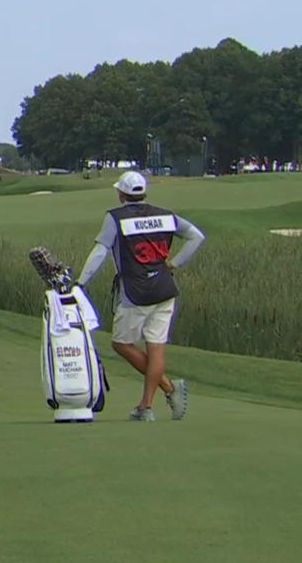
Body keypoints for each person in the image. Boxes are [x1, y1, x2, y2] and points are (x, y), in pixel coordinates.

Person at [75, 171, 206, 421]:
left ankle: (165, 390)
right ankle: (146, 406)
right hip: (165, 289)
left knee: (121, 344)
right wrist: (174, 264)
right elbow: (196, 237)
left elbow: (101, 251)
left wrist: (82, 281)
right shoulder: (166, 215)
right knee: (156, 348)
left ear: (121, 193)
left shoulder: (116, 217)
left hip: (135, 293)